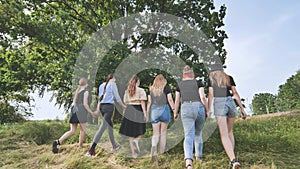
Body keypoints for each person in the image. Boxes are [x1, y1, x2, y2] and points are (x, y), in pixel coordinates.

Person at [207, 63, 247, 169]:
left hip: (219, 103)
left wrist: (208, 109)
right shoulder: (229, 78)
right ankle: (232, 157)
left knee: (224, 134)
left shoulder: (211, 79)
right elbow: (235, 93)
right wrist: (242, 109)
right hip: (231, 103)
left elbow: (210, 95)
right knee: (230, 132)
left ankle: (233, 160)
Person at [174, 65, 209, 169]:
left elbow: (177, 100)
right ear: (192, 74)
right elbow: (203, 97)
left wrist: (175, 112)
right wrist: (207, 110)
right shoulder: (198, 82)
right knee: (198, 133)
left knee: (188, 135)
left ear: (183, 75)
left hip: (185, 108)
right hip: (198, 106)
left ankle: (189, 162)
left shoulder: (179, 85)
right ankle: (199, 158)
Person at [85, 74, 126, 157]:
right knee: (103, 127)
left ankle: (114, 145)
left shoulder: (101, 85)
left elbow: (100, 99)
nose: (115, 80)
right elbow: (117, 98)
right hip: (109, 107)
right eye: (115, 79)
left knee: (110, 125)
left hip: (102, 108)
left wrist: (97, 109)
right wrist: (124, 106)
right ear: (113, 78)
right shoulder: (113, 84)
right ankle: (91, 150)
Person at [52, 78, 93, 153]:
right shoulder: (86, 92)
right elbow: (85, 104)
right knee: (83, 130)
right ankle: (80, 146)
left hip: (74, 110)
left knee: (72, 131)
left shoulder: (77, 92)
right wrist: (91, 112)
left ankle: (58, 141)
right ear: (86, 84)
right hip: (81, 111)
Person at [147, 74, 176, 162]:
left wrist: (147, 113)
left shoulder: (151, 89)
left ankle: (154, 148)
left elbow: (149, 102)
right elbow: (170, 100)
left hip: (154, 110)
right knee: (163, 133)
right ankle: (161, 152)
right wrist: (174, 110)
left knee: (155, 134)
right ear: (164, 80)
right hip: (164, 110)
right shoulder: (166, 88)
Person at [119, 75, 148, 158]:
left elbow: (125, 102)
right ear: (137, 82)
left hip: (129, 110)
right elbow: (142, 102)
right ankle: (137, 140)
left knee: (130, 132)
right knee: (141, 129)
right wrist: (145, 113)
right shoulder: (141, 90)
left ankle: (134, 153)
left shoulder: (127, 91)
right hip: (138, 109)